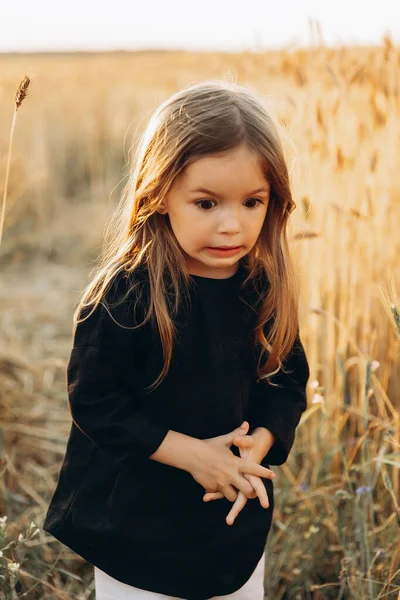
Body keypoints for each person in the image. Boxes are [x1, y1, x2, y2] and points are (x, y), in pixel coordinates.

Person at [42, 79, 311, 600]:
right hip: (137, 527)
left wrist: (263, 440)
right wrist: (192, 456)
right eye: (207, 203)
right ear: (161, 193)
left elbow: (288, 378)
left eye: (252, 202)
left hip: (229, 521)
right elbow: (96, 402)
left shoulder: (261, 287)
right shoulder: (127, 294)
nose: (232, 225)